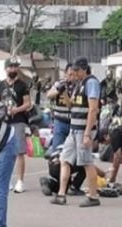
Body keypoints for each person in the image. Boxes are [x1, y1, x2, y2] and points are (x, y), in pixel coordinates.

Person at [50, 56, 101, 207]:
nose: (75, 73)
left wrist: (87, 133)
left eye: (77, 70)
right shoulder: (79, 84)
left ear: (84, 69)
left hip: (83, 129)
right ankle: (61, 194)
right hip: (74, 129)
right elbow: (71, 105)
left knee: (86, 162)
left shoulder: (91, 83)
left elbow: (93, 109)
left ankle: (93, 196)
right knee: (64, 160)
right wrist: (63, 92)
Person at [0, 57, 31, 193]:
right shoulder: (0, 85)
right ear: (6, 69)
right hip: (4, 121)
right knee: (4, 152)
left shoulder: (22, 85)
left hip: (18, 120)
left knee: (19, 151)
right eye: (11, 67)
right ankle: (7, 179)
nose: (13, 69)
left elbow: (28, 103)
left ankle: (20, 181)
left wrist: (17, 109)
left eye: (15, 67)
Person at [46, 63, 74, 152]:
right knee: (57, 149)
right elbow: (49, 95)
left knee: (71, 151)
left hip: (73, 122)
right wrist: (59, 91)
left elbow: (71, 105)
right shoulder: (59, 83)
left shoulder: (77, 85)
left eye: (73, 74)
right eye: (70, 74)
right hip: (60, 121)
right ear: (65, 73)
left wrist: (65, 93)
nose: (71, 77)